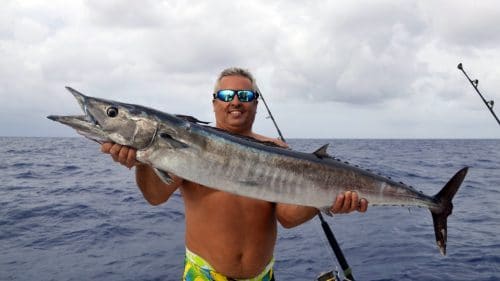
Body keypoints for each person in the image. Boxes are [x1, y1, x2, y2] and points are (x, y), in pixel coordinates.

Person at [101, 67, 368, 280]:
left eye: (246, 96)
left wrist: (324, 202)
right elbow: (155, 196)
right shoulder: (186, 144)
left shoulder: (276, 149)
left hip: (263, 276)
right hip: (202, 275)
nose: (236, 102)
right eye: (227, 96)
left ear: (256, 104)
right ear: (215, 102)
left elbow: (287, 217)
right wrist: (142, 162)